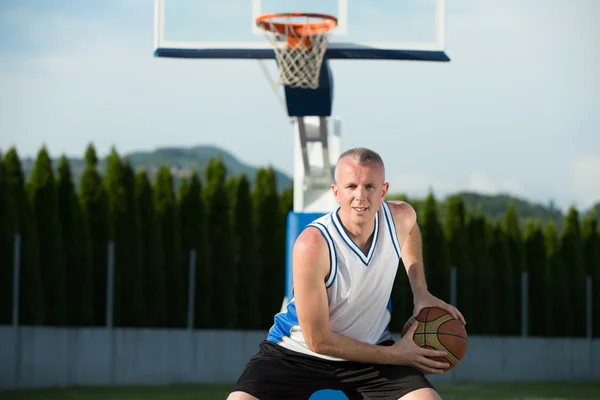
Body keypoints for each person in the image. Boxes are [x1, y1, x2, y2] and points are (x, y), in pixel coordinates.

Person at [228, 147, 466, 400]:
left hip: (370, 349)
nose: (360, 197)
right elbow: (318, 340)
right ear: (336, 192)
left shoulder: (399, 217)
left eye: (370, 187)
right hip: (298, 353)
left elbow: (410, 229)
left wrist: (420, 292)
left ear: (383, 191)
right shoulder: (312, 245)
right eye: (351, 186)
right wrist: (396, 355)